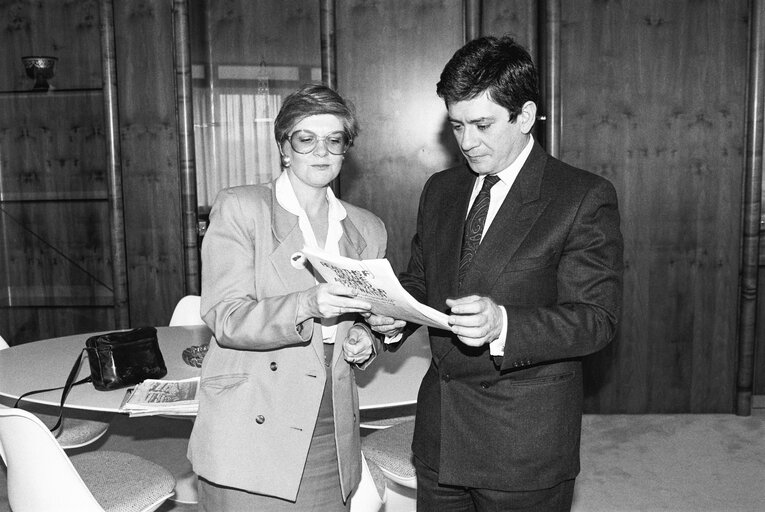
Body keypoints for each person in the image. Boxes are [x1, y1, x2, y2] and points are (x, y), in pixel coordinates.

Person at [366, 35, 623, 511]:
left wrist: (503, 323)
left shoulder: (581, 196)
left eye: (482, 125)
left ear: (524, 117)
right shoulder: (441, 190)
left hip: (523, 445)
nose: (467, 142)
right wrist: (392, 316)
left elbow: (596, 319)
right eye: (457, 125)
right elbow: (421, 283)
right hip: (440, 434)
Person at [188, 83, 386, 511]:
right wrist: (307, 304)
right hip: (253, 417)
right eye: (306, 139)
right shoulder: (242, 208)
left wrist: (366, 338)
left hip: (332, 423)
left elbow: (368, 315)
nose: (321, 152)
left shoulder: (368, 228)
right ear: (284, 146)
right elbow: (226, 317)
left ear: (346, 150)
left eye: (334, 141)